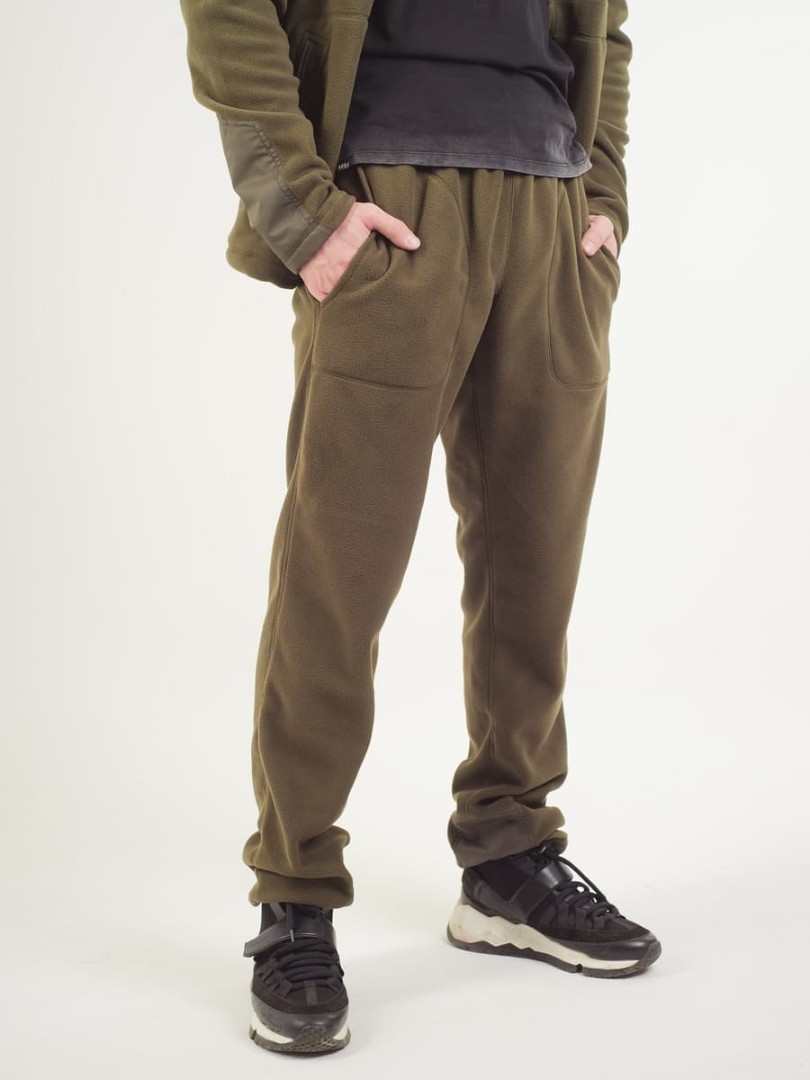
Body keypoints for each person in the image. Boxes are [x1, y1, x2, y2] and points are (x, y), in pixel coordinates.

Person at [178, 0, 661, 1056]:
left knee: (537, 566)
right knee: (338, 576)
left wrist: (603, 196)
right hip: (389, 202)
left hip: (552, 214)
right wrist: (303, 214)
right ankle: (295, 891)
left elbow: (608, 30)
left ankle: (507, 858)